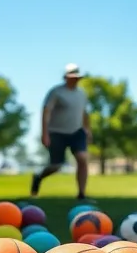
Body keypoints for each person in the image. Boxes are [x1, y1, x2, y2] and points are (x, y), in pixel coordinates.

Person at [30, 64, 92, 199]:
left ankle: (81, 194)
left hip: (77, 131)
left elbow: (84, 113)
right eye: (72, 77)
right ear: (65, 77)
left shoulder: (82, 94)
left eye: (77, 77)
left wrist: (88, 129)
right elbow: (46, 111)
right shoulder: (56, 92)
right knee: (56, 166)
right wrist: (44, 133)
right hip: (56, 132)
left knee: (82, 159)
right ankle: (38, 177)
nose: (75, 79)